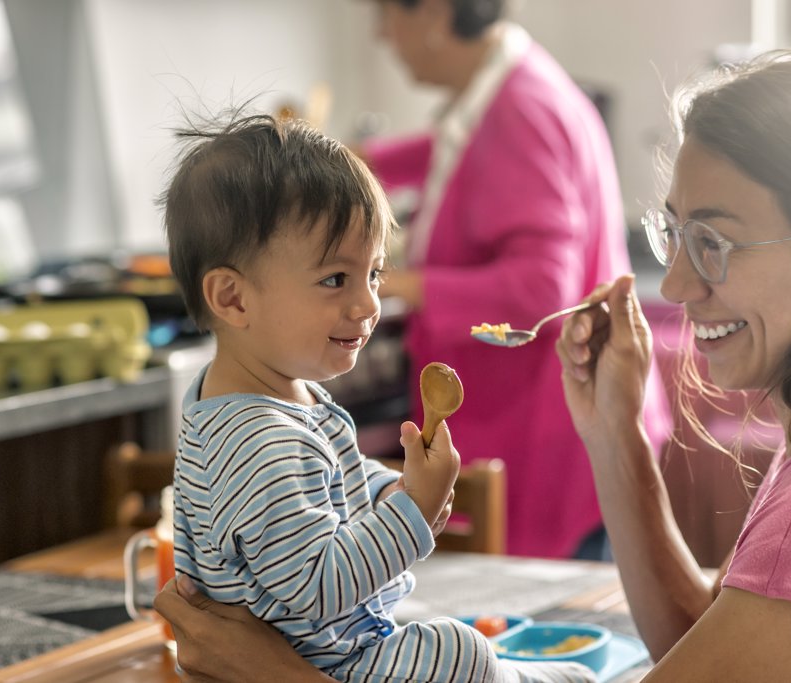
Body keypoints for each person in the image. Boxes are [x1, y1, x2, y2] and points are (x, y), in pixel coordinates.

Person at [155, 51, 791, 681]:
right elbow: (704, 643)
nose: (676, 286)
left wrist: (277, 672)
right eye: (672, 234)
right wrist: (614, 433)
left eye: (713, 241)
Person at [160, 113, 594, 682]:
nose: (368, 305)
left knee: (452, 645)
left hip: (320, 656)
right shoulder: (257, 441)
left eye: (375, 274)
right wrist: (412, 511)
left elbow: (337, 483)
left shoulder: (268, 398)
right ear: (233, 298)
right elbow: (318, 587)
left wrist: (394, 487)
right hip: (326, 664)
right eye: (336, 279)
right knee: (457, 652)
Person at [359, 0, 671, 559]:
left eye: (387, 14)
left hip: (548, 433)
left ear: (432, 14)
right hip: (558, 425)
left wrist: (404, 285)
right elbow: (453, 153)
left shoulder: (521, 111)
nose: (382, 35)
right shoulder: (508, 88)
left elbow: (541, 290)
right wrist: (350, 163)